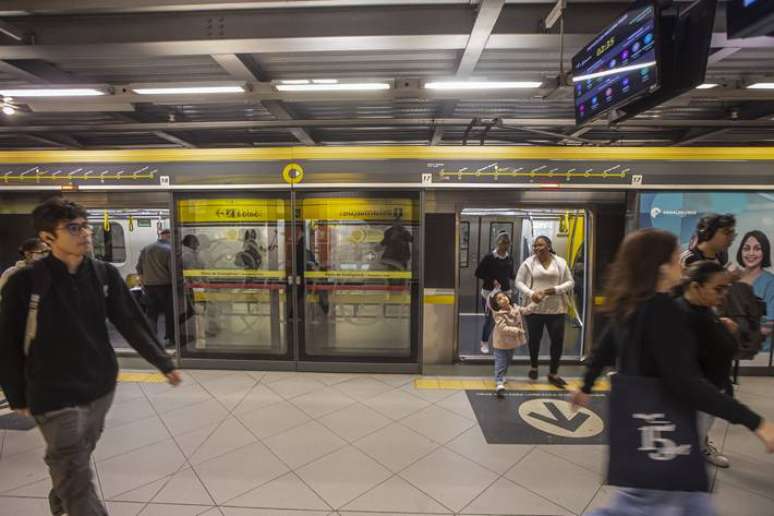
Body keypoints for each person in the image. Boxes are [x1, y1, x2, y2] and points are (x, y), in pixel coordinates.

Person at [573, 228, 774, 516]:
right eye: (675, 256)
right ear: (662, 266)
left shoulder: (631, 304)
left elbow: (605, 347)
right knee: (641, 504)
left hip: (645, 423)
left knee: (681, 501)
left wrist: (586, 385)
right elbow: (686, 383)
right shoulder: (662, 311)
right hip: (665, 427)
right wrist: (755, 422)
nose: (682, 261)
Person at [0, 198, 182, 516]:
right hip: (52, 391)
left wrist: (163, 362)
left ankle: (62, 496)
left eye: (86, 225)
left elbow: (131, 321)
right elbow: (7, 342)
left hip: (99, 387)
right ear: (47, 238)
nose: (84, 233)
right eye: (73, 227)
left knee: (78, 456)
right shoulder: (25, 283)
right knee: (72, 464)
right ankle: (73, 495)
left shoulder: (103, 275)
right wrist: (16, 393)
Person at [675, 261, 738, 469]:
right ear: (696, 287)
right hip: (697, 390)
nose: (723, 294)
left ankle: (697, 449)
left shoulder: (704, 309)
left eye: (725, 288)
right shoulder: (682, 312)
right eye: (718, 289)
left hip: (712, 387)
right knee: (689, 436)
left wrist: (721, 326)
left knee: (699, 430)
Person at [515, 235, 574, 388]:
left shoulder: (560, 262)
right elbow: (518, 282)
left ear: (548, 246)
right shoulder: (528, 263)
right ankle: (534, 366)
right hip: (535, 309)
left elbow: (570, 282)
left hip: (557, 309)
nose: (536, 248)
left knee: (557, 341)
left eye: (540, 245)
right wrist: (531, 293)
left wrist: (554, 290)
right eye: (535, 246)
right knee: (535, 339)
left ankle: (553, 373)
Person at [474, 232, 515, 354]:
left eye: (507, 243)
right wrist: (491, 280)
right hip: (490, 294)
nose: (505, 245)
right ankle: (484, 342)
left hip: (505, 293)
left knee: (506, 318)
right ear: (497, 243)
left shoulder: (509, 258)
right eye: (502, 242)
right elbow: (478, 273)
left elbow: (511, 274)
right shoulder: (489, 257)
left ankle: (502, 342)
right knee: (490, 320)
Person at [490, 290, 536, 396]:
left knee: (508, 361)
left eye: (504, 296)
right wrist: (517, 330)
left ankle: (502, 376)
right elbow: (503, 328)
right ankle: (499, 382)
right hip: (501, 343)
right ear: (496, 304)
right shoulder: (498, 314)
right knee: (501, 361)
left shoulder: (515, 308)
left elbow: (526, 310)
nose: (503, 299)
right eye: (499, 299)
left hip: (512, 342)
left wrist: (535, 303)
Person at [737, 230, 774, 352]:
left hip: (760, 355)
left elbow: (769, 326)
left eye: (757, 248)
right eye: (746, 248)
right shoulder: (731, 280)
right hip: (730, 351)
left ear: (765, 252)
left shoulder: (771, 283)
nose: (751, 253)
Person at [137, 228, 174, 345]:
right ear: (169, 236)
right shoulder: (170, 250)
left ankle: (152, 339)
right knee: (170, 313)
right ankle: (170, 338)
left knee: (151, 313)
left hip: (148, 286)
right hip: (166, 286)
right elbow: (173, 270)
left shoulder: (146, 249)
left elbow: (139, 268)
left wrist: (143, 284)